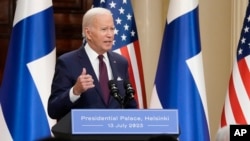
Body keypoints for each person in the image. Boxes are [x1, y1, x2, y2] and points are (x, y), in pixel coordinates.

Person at [47, 7, 137, 121]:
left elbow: (130, 105)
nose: (110, 35)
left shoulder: (121, 62)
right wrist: (75, 91)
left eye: (112, 29)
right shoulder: (67, 62)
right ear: (88, 33)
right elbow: (53, 110)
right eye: (104, 29)